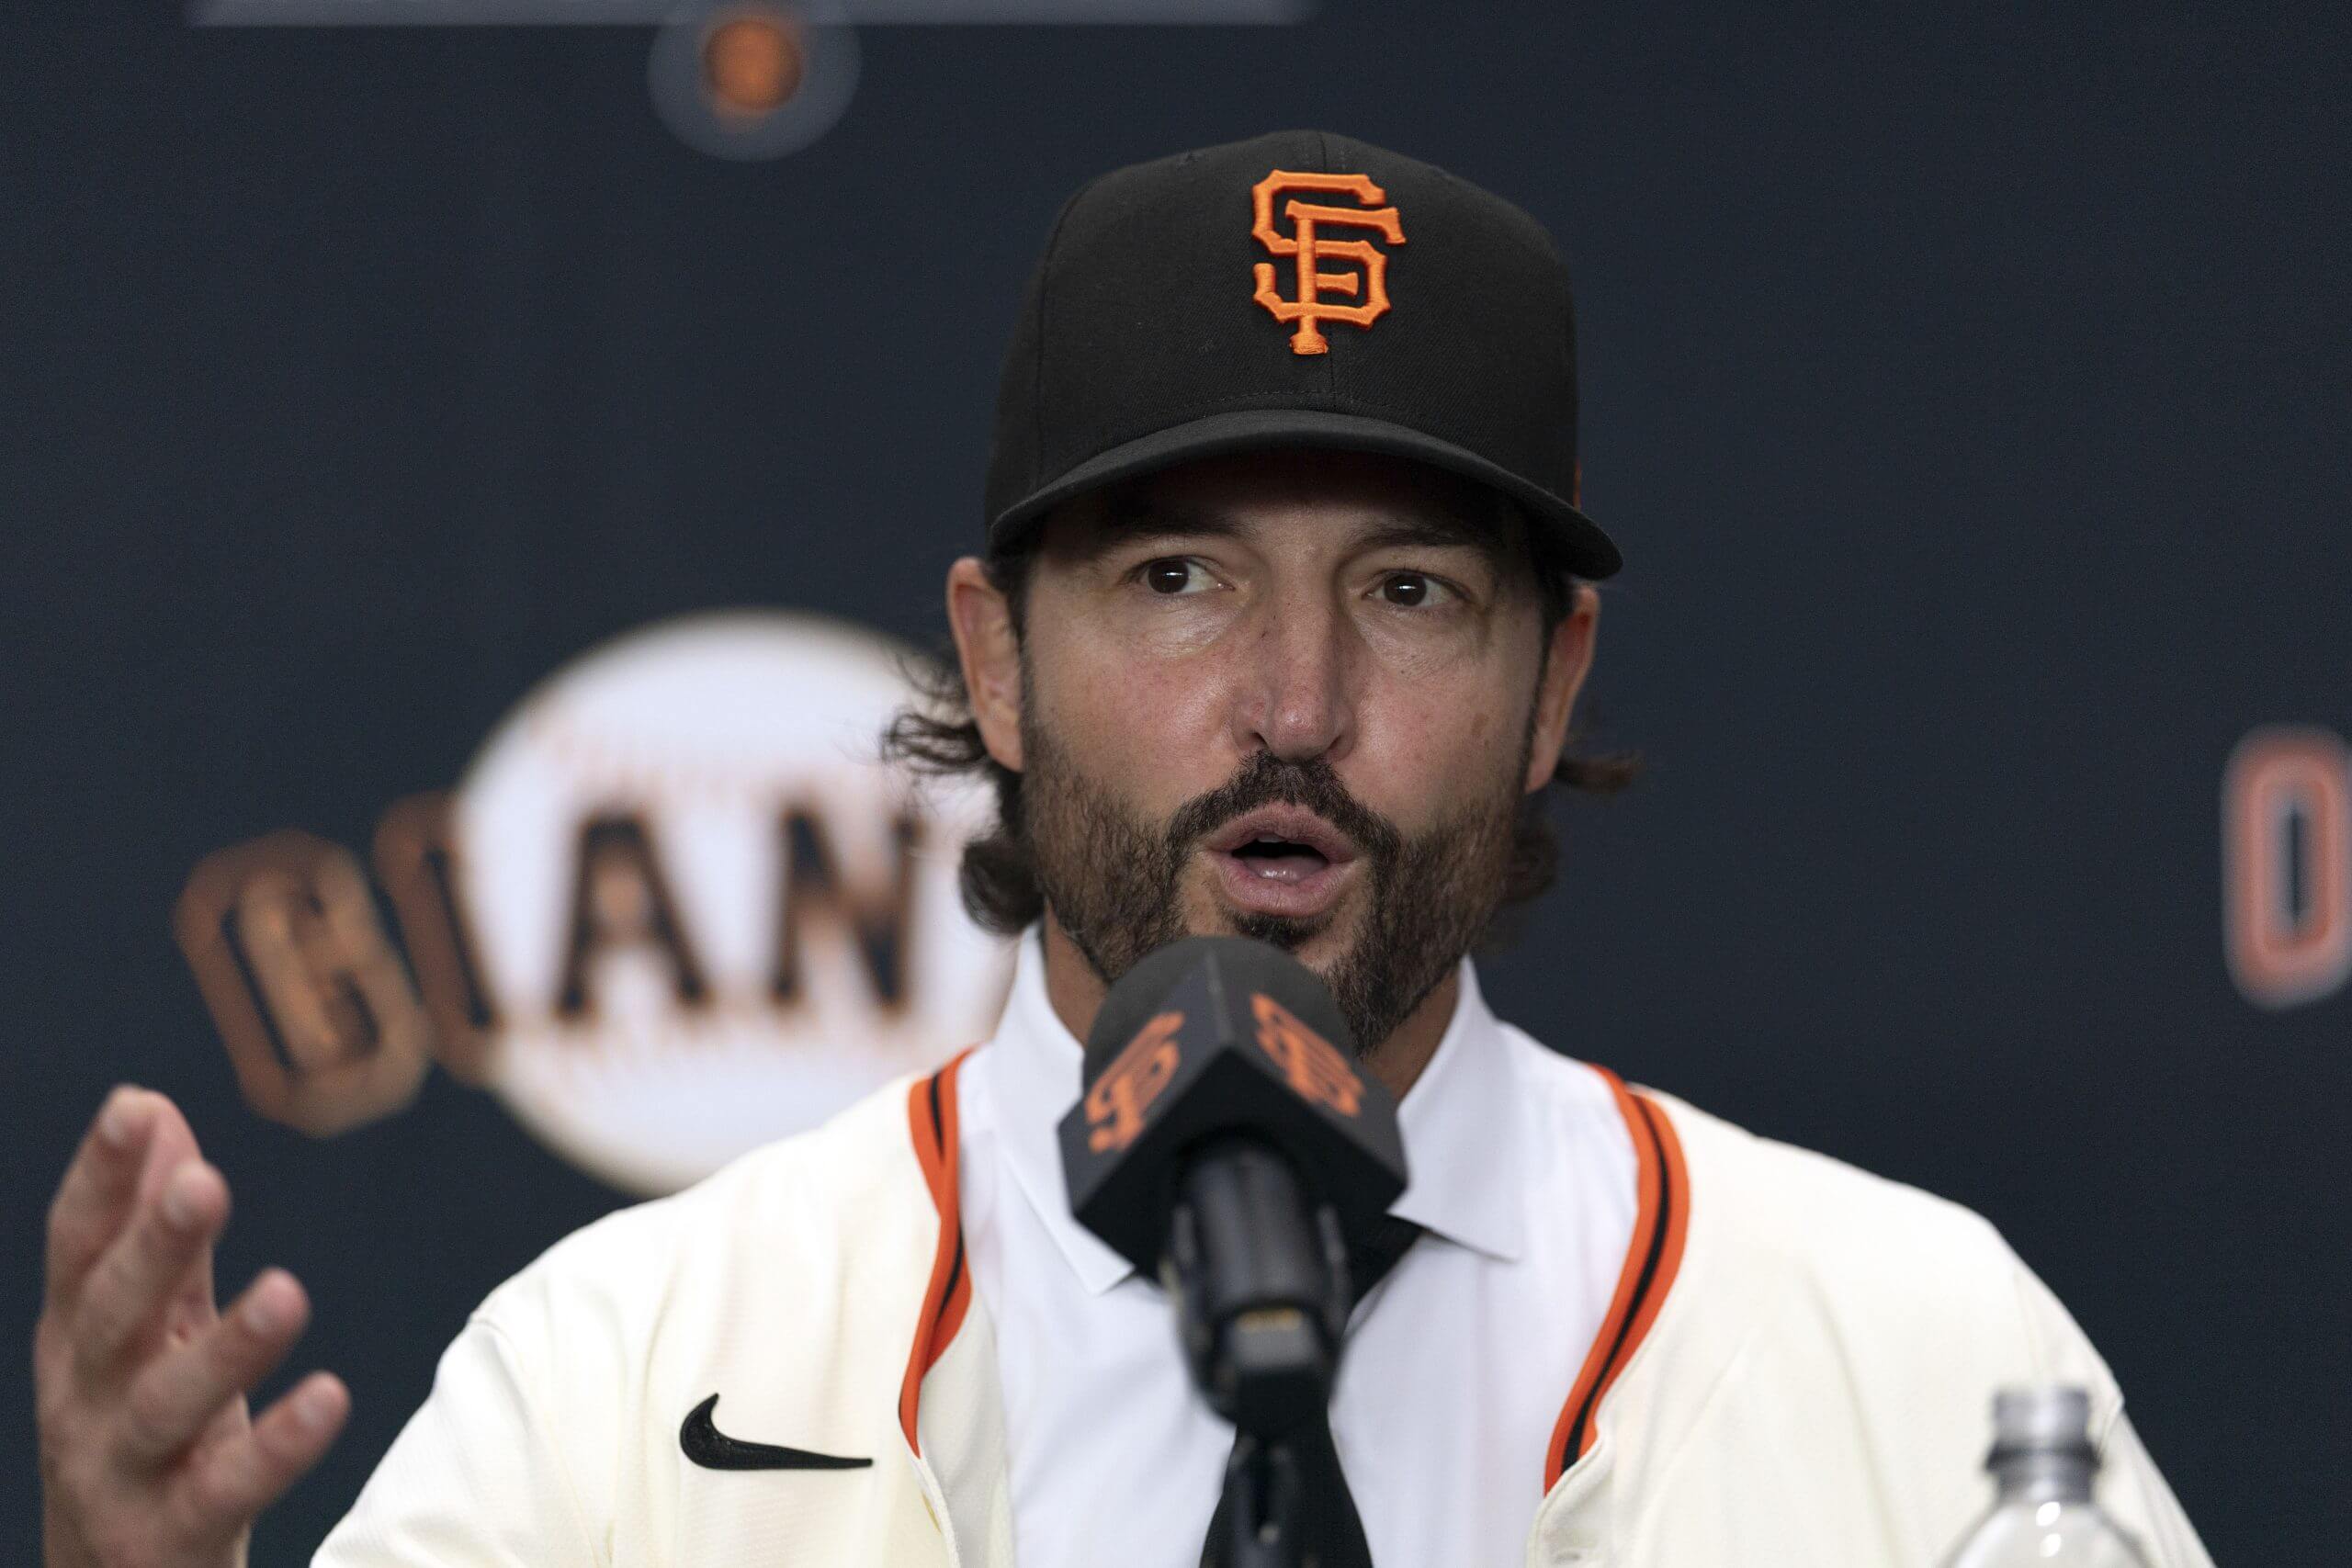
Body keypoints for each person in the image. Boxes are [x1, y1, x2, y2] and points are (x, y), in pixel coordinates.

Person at [34, 129, 2214, 1568]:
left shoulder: (1912, 1344)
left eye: (1408, 592)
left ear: (1552, 685)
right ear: (994, 661)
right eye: (1176, 578)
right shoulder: (622, 1374)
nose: (1289, 699)